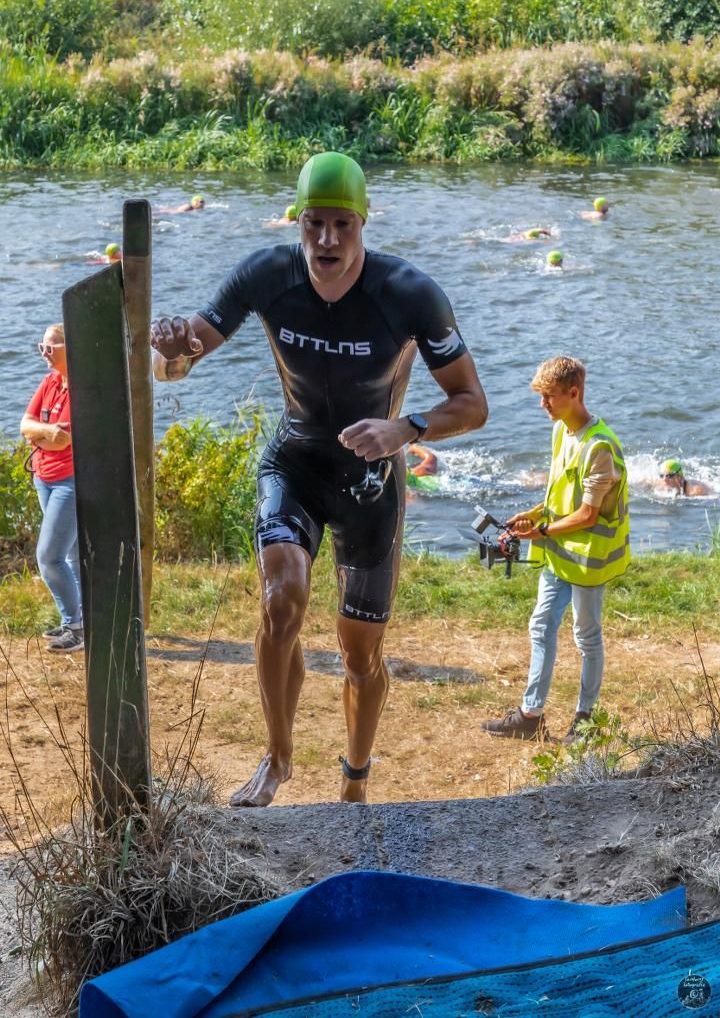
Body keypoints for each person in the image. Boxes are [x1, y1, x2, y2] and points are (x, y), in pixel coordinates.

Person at [151, 150, 488, 806]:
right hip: (297, 462)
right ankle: (277, 761)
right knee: (281, 601)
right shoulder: (266, 275)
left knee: (359, 656)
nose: (327, 241)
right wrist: (167, 354)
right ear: (296, 222)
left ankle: (355, 778)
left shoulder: (409, 294)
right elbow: (184, 355)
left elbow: (472, 403)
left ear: (363, 223)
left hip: (370, 484)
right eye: (314, 225)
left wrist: (404, 429)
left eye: (342, 225)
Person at [481, 356, 629, 744]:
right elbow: (561, 493)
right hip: (559, 552)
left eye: (548, 396)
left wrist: (542, 531)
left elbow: (587, 512)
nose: (541, 404)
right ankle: (530, 716)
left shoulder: (600, 446)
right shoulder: (562, 431)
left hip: (588, 560)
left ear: (574, 393)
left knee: (587, 637)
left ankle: (584, 721)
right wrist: (532, 515)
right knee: (541, 625)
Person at [20, 325, 84, 652]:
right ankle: (79, 620)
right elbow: (25, 426)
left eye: (50, 347)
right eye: (41, 347)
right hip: (42, 478)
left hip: (68, 482)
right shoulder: (51, 382)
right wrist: (44, 431)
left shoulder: (83, 387)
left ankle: (76, 626)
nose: (44, 354)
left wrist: (41, 434)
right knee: (69, 554)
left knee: (49, 556)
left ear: (69, 347)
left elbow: (65, 440)